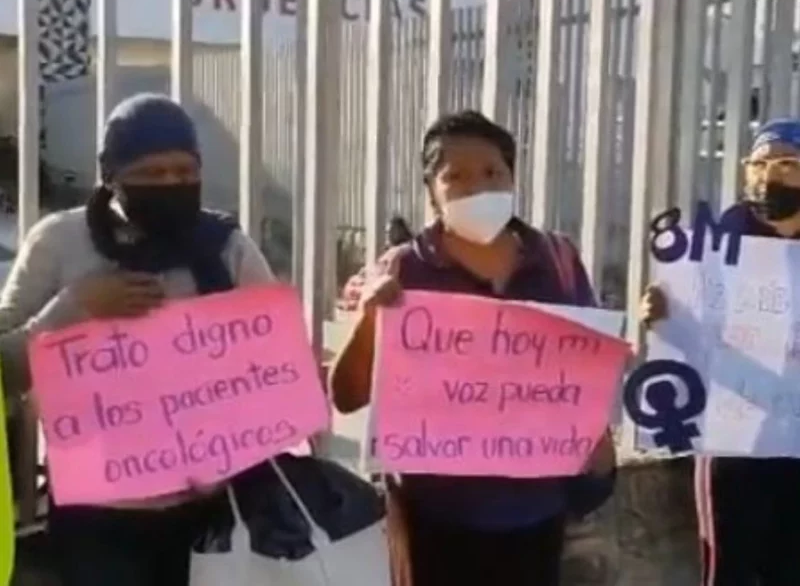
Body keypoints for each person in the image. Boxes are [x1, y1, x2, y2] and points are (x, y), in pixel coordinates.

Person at [330, 110, 616, 586]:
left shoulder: (559, 260)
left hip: (537, 510)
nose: (476, 187)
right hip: (434, 516)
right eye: (455, 176)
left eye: (491, 172)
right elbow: (346, 394)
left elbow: (582, 370)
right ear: (431, 191)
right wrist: (370, 321)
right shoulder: (402, 269)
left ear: (511, 178)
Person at [0, 93, 276, 586]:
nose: (172, 184)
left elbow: (278, 370)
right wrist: (73, 308)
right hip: (97, 518)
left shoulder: (227, 249)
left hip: (213, 511)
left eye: (184, 170)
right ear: (112, 175)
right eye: (151, 174)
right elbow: (4, 368)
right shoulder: (57, 243)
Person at [641, 117, 800, 586]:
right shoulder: (714, 245)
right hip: (733, 439)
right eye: (760, 163)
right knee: (727, 568)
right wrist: (659, 313)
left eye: (789, 164)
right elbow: (686, 329)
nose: (771, 175)